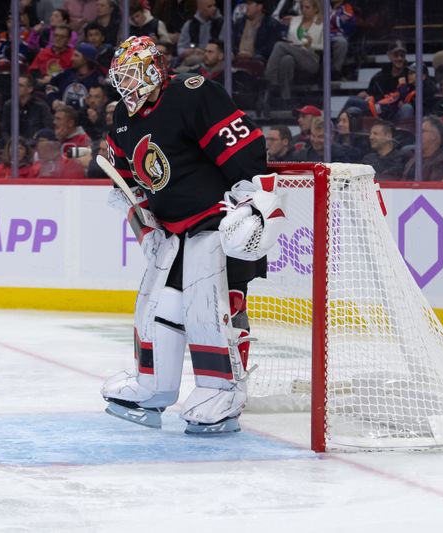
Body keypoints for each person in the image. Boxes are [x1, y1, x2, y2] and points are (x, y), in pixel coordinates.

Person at [101, 36, 282, 435]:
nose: (126, 85)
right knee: (159, 307)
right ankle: (153, 386)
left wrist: (253, 206)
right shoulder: (122, 118)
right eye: (121, 78)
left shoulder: (192, 93)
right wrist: (143, 226)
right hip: (174, 234)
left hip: (221, 225)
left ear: (153, 69)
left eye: (132, 75)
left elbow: (245, 149)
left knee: (212, 308)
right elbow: (130, 187)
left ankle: (223, 391)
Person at [264, 0, 322, 102]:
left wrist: (310, 44)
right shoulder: (295, 20)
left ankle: (269, 79)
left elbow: (324, 46)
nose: (304, 10)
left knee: (279, 45)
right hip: (295, 53)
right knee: (287, 59)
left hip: (311, 58)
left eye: (307, 7)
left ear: (316, 9)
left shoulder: (322, 23)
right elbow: (291, 39)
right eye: (302, 7)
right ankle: (285, 98)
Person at [1, 73, 53, 142]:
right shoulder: (9, 105)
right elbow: (5, 130)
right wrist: (11, 144)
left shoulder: (41, 107)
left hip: (34, 145)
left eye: (20, 86)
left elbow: (47, 130)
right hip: (13, 146)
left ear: (30, 89)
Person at [402, 116, 443, 182]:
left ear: (434, 136)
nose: (418, 135)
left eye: (422, 131)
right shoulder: (414, 157)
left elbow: (434, 189)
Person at [177, 0, 225, 68]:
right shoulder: (189, 24)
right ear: (200, 9)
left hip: (215, 59)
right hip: (194, 58)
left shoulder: (222, 24)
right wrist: (190, 51)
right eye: (209, 6)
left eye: (214, 5)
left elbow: (223, 47)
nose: (214, 8)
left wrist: (203, 51)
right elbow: (180, 48)